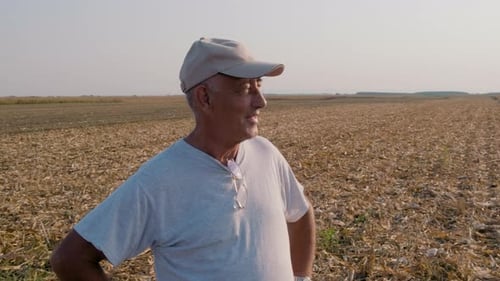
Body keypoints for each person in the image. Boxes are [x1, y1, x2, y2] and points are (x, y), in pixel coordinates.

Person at [50, 37, 316, 281]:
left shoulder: (266, 153)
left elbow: (301, 213)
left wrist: (301, 278)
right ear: (204, 98)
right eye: (245, 88)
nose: (261, 101)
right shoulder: (159, 181)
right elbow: (70, 259)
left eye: (259, 86)